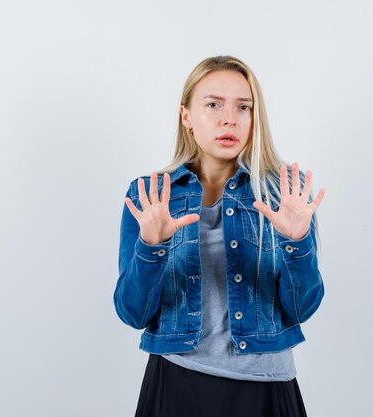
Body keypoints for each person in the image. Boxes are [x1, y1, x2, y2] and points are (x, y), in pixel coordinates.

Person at [113, 55, 326, 417]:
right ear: (187, 117)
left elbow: (301, 309)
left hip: (266, 387)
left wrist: (297, 242)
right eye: (213, 104)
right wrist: (152, 247)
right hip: (177, 382)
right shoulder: (149, 195)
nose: (230, 118)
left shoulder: (283, 197)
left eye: (243, 107)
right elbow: (132, 313)